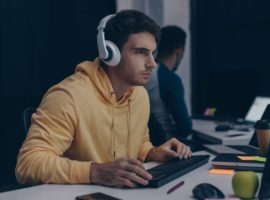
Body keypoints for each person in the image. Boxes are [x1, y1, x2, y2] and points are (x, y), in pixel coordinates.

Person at [15, 10, 192, 188]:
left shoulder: (139, 95)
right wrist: (95, 172)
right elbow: (28, 163)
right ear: (110, 53)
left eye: (152, 53)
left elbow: (139, 144)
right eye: (140, 52)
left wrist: (153, 153)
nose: (152, 64)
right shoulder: (69, 96)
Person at [145, 26, 193, 142]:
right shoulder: (170, 79)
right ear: (179, 51)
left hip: (149, 143)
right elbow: (185, 128)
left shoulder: (145, 73)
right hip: (169, 145)